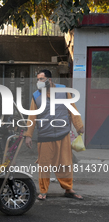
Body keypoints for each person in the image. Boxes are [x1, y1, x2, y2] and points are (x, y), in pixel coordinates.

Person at [25, 70, 84, 200]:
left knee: (65, 163)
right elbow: (32, 116)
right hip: (45, 135)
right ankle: (43, 191)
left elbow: (73, 109)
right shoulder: (36, 95)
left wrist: (79, 126)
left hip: (63, 134)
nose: (38, 82)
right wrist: (28, 134)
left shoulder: (63, 91)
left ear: (49, 80)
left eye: (41, 79)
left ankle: (68, 189)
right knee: (44, 165)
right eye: (38, 79)